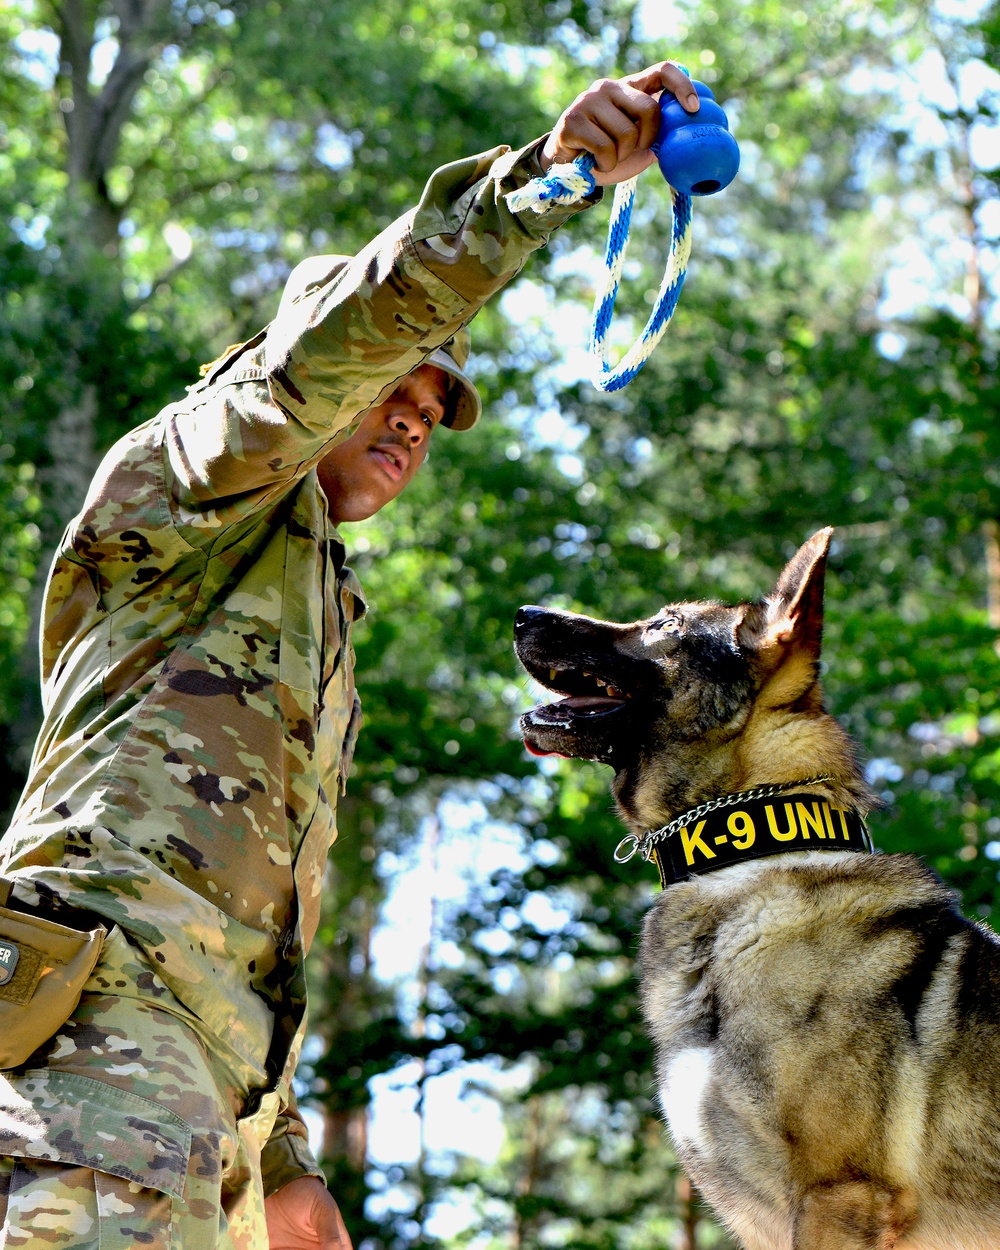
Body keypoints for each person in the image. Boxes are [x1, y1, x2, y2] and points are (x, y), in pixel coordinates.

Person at [0, 61, 700, 1249]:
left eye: (437, 410)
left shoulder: (317, 606)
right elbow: (339, 337)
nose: (419, 416)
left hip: (197, 1115)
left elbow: (236, 913)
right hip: (88, 1079)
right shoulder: (186, 482)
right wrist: (553, 178)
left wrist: (279, 1152)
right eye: (401, 383)